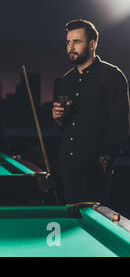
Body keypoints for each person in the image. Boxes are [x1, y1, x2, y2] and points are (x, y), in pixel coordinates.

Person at [52, 19, 129, 204]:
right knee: (70, 217)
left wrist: (105, 158)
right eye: (68, 42)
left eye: (76, 42)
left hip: (95, 165)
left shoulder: (112, 76)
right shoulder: (66, 80)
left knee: (94, 217)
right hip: (67, 164)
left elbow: (121, 124)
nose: (71, 47)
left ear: (93, 44)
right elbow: (63, 128)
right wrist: (58, 118)